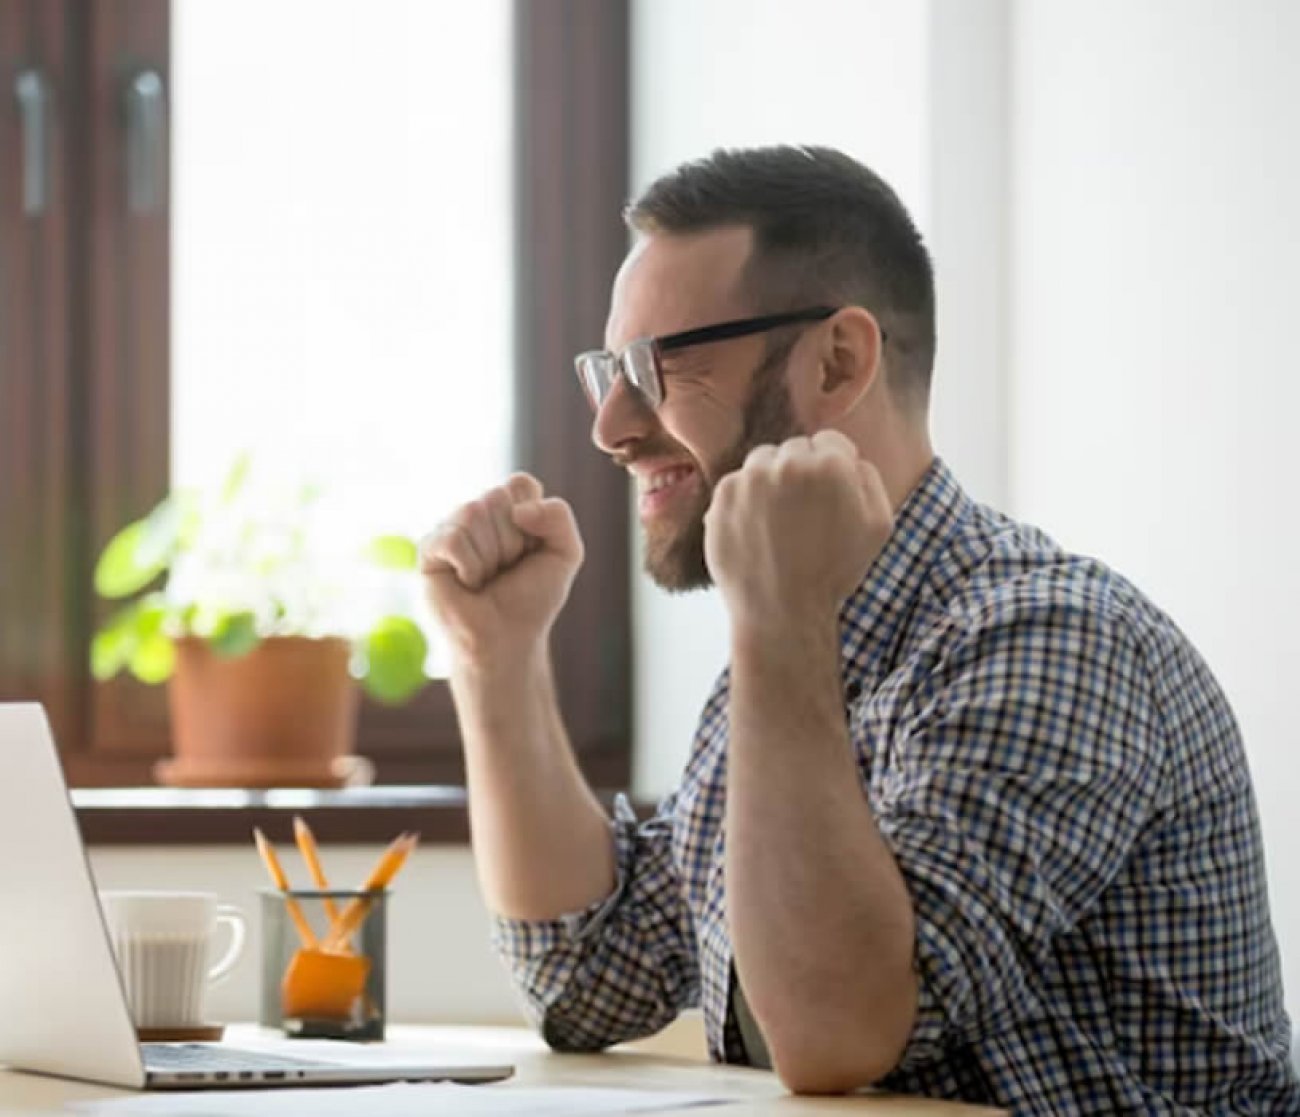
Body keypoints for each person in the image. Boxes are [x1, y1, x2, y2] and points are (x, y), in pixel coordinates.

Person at [419, 145, 1300, 1111]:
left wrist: (781, 624)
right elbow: (588, 977)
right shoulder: (790, 659)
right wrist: (493, 657)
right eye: (607, 371)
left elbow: (838, 1036)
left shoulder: (1053, 639)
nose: (613, 427)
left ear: (839, 360)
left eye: (654, 365)